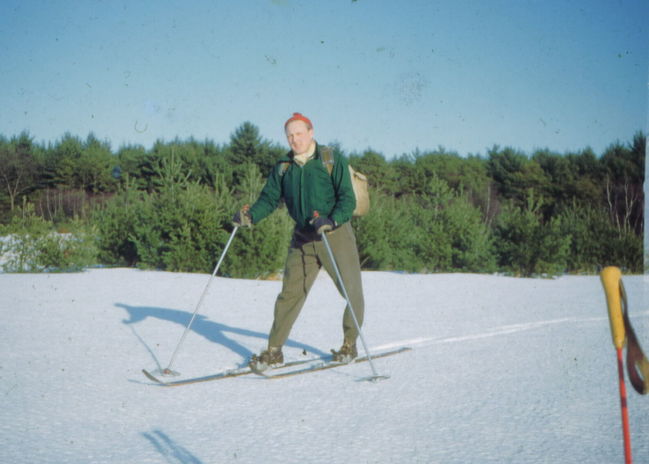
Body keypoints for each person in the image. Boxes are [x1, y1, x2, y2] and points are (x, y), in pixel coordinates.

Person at [232, 112, 365, 372]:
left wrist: (332, 219)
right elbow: (269, 199)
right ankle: (274, 351)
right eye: (290, 135)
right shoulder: (284, 167)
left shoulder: (330, 159)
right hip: (303, 238)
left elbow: (347, 199)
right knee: (289, 295)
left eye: (299, 133)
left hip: (334, 235)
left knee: (351, 292)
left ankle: (349, 344)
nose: (295, 139)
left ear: (311, 132)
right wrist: (250, 216)